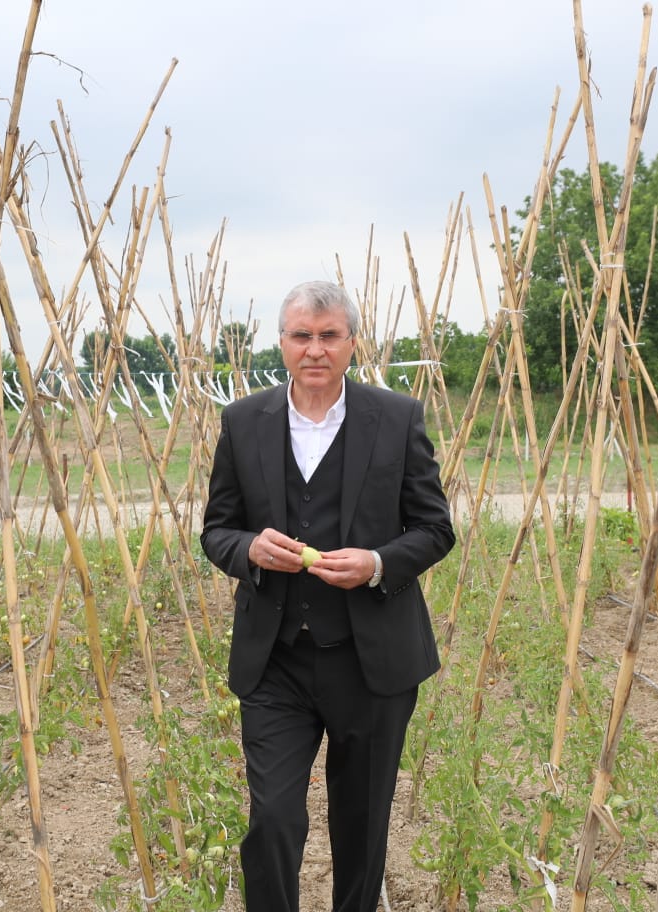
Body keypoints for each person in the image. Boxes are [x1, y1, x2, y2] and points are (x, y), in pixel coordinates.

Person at [201, 280, 456, 912]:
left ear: (351, 342)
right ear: (281, 343)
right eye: (301, 336)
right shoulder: (242, 421)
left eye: (328, 336)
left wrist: (376, 562)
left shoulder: (396, 418)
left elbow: (435, 528)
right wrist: (247, 551)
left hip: (371, 662)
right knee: (274, 821)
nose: (314, 350)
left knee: (361, 826)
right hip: (277, 660)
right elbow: (217, 529)